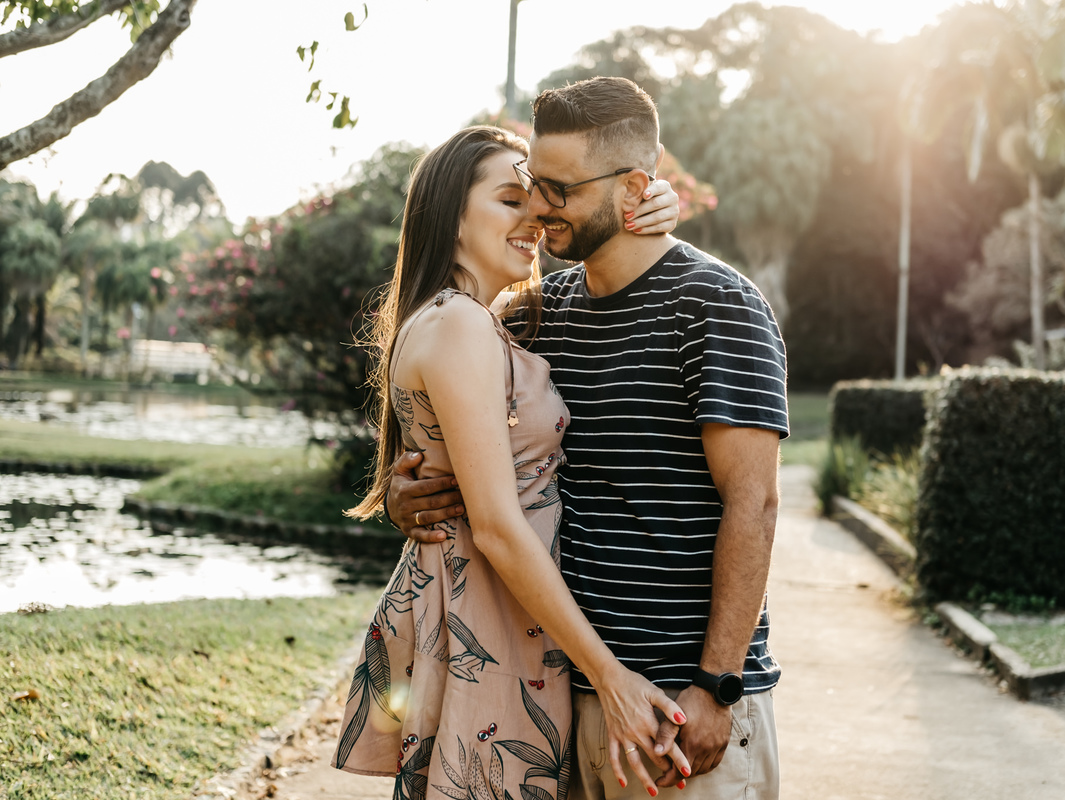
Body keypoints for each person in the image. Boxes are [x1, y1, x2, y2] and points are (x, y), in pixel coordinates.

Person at [389, 77, 789, 800]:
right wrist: (403, 491)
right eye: (532, 185)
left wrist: (716, 688)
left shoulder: (719, 307)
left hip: (678, 708)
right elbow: (474, 449)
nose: (540, 208)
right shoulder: (533, 318)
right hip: (567, 702)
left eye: (558, 190)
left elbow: (754, 505)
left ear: (634, 187)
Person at [330, 124, 692, 800]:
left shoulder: (476, 317)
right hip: (489, 622)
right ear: (452, 219)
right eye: (508, 199)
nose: (533, 217)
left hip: (502, 617)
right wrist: (611, 675)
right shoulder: (459, 324)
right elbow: (495, 525)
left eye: (537, 199)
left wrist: (650, 208)